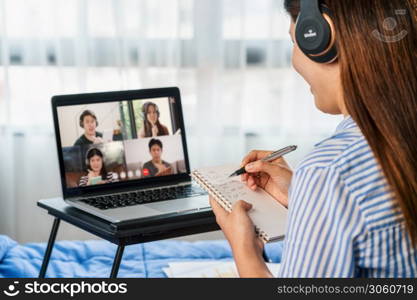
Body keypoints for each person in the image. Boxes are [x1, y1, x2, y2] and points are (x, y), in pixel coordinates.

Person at [210, 0, 417, 278]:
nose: (294, 59)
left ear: (320, 39)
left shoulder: (328, 170)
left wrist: (244, 248)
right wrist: (303, 197)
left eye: (294, 43)